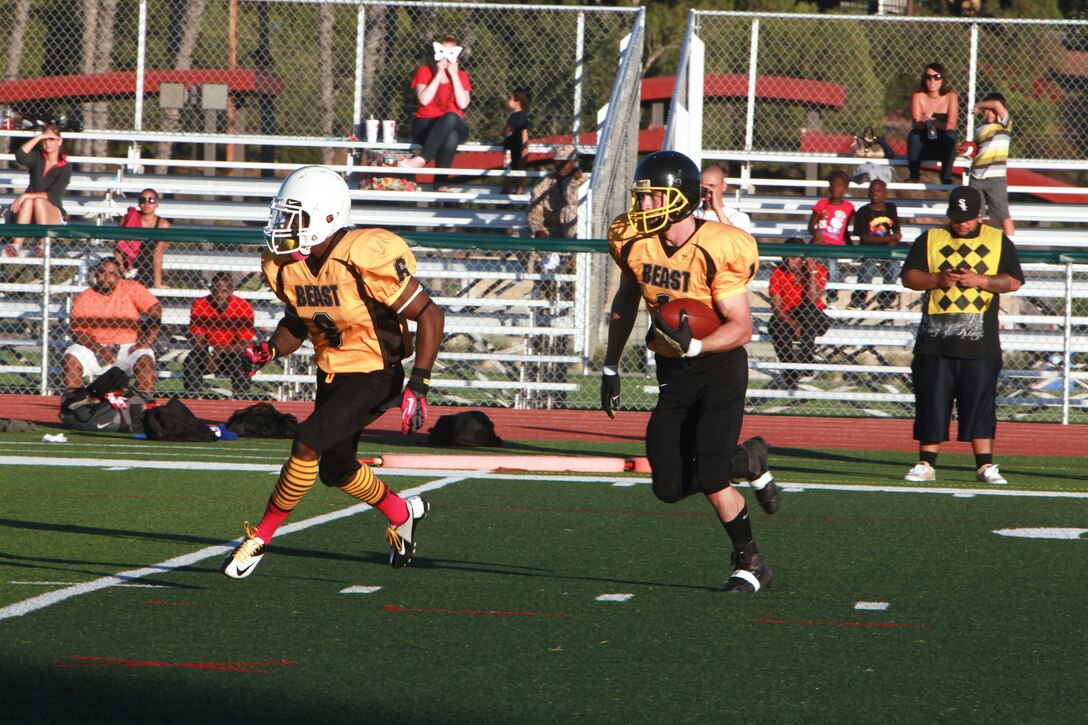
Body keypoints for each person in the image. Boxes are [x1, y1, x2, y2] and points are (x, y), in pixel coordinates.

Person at [221, 165, 445, 579]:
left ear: (326, 218)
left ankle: (260, 539)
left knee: (307, 442)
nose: (283, 225)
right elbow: (299, 323)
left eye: (294, 216)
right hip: (332, 372)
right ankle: (402, 513)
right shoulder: (288, 264)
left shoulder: (363, 253)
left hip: (377, 372)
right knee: (335, 469)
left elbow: (430, 314)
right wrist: (269, 350)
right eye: (281, 215)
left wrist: (420, 383)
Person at [600, 150, 779, 594]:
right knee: (667, 486)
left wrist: (695, 343)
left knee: (713, 479)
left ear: (680, 198)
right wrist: (610, 363)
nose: (641, 207)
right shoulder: (634, 241)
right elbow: (626, 299)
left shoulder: (720, 244)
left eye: (651, 198)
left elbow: (741, 327)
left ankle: (750, 561)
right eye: (640, 198)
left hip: (718, 367)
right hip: (673, 371)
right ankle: (746, 458)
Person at [900, 186, 1024, 485]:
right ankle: (926, 463)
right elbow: (908, 277)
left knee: (980, 404)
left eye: (967, 217)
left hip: (981, 341)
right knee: (931, 402)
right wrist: (937, 280)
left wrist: (980, 280)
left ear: (979, 214)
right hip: (934, 339)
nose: (961, 222)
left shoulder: (997, 240)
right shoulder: (931, 238)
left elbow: (1014, 280)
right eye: (956, 216)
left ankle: (985, 466)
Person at [62, 256, 161, 398]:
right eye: (102, 272)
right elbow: (78, 333)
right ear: (96, 273)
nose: (107, 277)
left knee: (145, 361)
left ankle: (141, 407)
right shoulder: (84, 297)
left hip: (128, 347)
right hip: (95, 348)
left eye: (113, 274)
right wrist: (99, 349)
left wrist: (147, 341)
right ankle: (75, 403)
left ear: (119, 276)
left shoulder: (131, 288)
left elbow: (155, 310)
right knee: (71, 357)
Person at [397, 34, 472, 191]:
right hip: (426, 126)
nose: (446, 57)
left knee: (451, 116)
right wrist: (438, 74)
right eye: (443, 51)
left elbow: (463, 103)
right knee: (451, 136)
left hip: (455, 123)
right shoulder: (424, 71)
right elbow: (424, 100)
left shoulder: (462, 75)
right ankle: (440, 184)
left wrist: (453, 75)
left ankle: (422, 159)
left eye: (451, 52)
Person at [184, 272, 256, 396]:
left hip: (232, 354)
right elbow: (197, 339)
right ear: (211, 290)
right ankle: (193, 399)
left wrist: (219, 350)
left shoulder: (243, 306)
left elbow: (244, 343)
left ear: (232, 291)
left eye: (224, 291)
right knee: (191, 361)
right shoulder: (200, 304)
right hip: (206, 352)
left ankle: (241, 400)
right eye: (216, 291)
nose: (220, 296)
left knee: (243, 362)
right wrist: (207, 356)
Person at [768, 248, 830, 390]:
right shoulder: (778, 272)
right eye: (787, 257)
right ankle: (790, 373)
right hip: (789, 316)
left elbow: (812, 299)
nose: (789, 261)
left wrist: (811, 272)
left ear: (803, 258)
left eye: (794, 257)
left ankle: (806, 356)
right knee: (776, 328)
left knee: (809, 311)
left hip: (814, 317)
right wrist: (794, 325)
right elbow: (777, 307)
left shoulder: (819, 270)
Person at [6, 123, 71, 258]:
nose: (47, 143)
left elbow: (54, 194)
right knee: (30, 202)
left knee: (38, 201)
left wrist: (25, 196)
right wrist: (40, 136)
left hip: (51, 211)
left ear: (59, 141)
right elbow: (20, 155)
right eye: (45, 139)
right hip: (29, 212)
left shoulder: (65, 166)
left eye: (51, 139)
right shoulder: (37, 158)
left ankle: (43, 244)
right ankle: (17, 245)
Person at [964, 92, 1015, 237]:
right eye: (987, 110)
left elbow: (997, 104)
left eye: (991, 109)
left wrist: (979, 105)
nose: (989, 112)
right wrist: (964, 151)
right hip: (976, 177)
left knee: (1002, 214)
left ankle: (1011, 244)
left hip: (995, 177)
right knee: (976, 214)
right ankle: (977, 242)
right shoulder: (980, 130)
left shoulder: (1004, 124)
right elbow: (975, 151)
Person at [850, 179, 902, 310]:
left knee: (894, 267)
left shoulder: (891, 208)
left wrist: (891, 242)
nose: (875, 193)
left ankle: (886, 300)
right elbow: (865, 238)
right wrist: (889, 238)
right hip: (869, 250)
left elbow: (897, 233)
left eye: (879, 190)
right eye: (872, 190)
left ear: (885, 193)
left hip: (887, 250)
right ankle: (858, 300)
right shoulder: (862, 211)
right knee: (868, 268)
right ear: (868, 193)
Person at [907, 62, 959, 185]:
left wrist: (934, 122)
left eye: (937, 77)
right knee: (914, 135)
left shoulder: (950, 96)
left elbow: (951, 124)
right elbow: (916, 123)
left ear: (943, 79)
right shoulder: (918, 95)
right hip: (924, 142)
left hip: (941, 143)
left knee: (951, 135)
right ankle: (914, 175)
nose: (932, 81)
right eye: (928, 77)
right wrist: (922, 122)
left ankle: (945, 177)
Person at [807, 170, 854, 303]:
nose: (835, 187)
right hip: (819, 245)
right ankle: (811, 299)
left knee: (832, 266)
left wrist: (851, 247)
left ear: (845, 189)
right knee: (811, 269)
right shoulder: (822, 204)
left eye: (839, 185)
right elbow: (811, 226)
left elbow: (845, 230)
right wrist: (815, 232)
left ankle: (832, 298)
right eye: (833, 184)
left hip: (835, 247)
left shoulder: (849, 207)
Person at [114, 188, 172, 288]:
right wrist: (122, 269)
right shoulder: (128, 219)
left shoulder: (163, 224)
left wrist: (158, 283)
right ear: (139, 203)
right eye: (143, 200)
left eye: (151, 200)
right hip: (127, 269)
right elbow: (118, 249)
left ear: (156, 204)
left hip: (147, 272)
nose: (147, 203)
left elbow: (158, 255)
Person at [527, 144, 584, 241]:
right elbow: (534, 212)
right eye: (558, 162)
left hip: (573, 228)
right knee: (522, 234)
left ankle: (573, 252)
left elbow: (573, 205)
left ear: (573, 162)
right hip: (550, 229)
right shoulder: (543, 183)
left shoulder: (584, 183)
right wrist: (539, 230)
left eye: (565, 162)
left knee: (569, 212)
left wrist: (573, 181)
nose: (561, 166)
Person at [693, 163, 751, 232]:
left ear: (724, 186)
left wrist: (717, 209)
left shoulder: (738, 217)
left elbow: (736, 240)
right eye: (702, 187)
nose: (707, 191)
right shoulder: (692, 214)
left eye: (712, 185)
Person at [501, 88, 531, 195]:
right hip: (511, 147)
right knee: (509, 167)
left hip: (517, 147)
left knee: (518, 168)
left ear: (517, 102)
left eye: (510, 98)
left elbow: (524, 132)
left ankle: (517, 188)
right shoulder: (514, 116)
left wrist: (524, 146)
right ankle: (509, 188)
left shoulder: (520, 117)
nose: (507, 100)